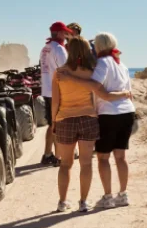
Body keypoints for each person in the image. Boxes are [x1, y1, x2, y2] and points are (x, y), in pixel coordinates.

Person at [52, 36, 130, 213]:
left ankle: (62, 202)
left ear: (68, 51)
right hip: (88, 119)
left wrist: (53, 121)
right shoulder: (91, 72)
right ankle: (83, 202)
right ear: (88, 51)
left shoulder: (60, 73)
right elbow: (97, 96)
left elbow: (55, 102)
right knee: (86, 164)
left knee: (65, 164)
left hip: (65, 119)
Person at [89, 32, 136, 209]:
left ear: (99, 46)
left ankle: (108, 197)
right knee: (121, 156)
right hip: (127, 112)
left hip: (108, 114)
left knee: (103, 157)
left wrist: (107, 96)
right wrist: (121, 95)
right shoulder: (121, 64)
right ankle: (123, 194)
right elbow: (129, 92)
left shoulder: (102, 62)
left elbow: (95, 85)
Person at [38, 21, 70, 166]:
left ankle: (47, 154)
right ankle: (58, 157)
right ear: (57, 33)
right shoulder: (59, 49)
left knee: (52, 124)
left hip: (46, 89)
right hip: (57, 91)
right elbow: (65, 71)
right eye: (64, 32)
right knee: (58, 125)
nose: (66, 34)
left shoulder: (45, 48)